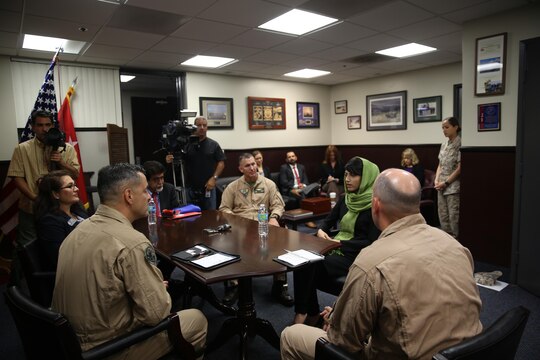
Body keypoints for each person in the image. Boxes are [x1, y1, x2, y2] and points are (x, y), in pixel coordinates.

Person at [281, 168, 482, 360]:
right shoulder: (456, 246)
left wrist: (333, 320)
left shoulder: (370, 262)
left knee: (292, 335)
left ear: (375, 205)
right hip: (468, 352)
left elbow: (343, 341)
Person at [52, 163, 207, 359]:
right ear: (129, 195)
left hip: (66, 342)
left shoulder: (76, 233)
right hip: (108, 348)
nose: (150, 196)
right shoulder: (132, 243)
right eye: (145, 191)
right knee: (197, 319)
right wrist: (158, 290)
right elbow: (156, 314)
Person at [292, 157, 380, 325]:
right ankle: (308, 312)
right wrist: (320, 230)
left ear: (367, 177)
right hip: (335, 247)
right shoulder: (346, 198)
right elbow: (327, 222)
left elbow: (370, 242)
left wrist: (338, 243)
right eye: (346, 174)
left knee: (308, 266)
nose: (347, 179)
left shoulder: (375, 205)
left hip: (356, 254)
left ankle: (305, 314)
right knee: (302, 262)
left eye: (354, 175)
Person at [7, 110, 79, 284]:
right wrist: (35, 198)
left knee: (59, 247)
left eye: (48, 125)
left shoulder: (66, 148)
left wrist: (61, 162)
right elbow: (17, 178)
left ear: (53, 126)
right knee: (25, 248)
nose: (44, 129)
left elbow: (75, 174)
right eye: (40, 125)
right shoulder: (22, 149)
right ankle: (16, 288)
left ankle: (57, 285)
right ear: (33, 127)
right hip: (31, 208)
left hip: (60, 210)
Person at [219, 153, 293, 306]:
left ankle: (280, 285)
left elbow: (278, 205)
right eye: (247, 165)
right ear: (240, 169)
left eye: (253, 164)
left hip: (264, 225)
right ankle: (234, 285)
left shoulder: (269, 184)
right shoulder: (233, 187)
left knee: (280, 242)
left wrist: (274, 217)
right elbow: (224, 209)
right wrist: (237, 220)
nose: (252, 167)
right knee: (231, 243)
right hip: (241, 227)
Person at [166, 116, 225, 210]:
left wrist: (214, 178)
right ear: (194, 127)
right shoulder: (186, 144)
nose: (202, 128)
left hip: (208, 187)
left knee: (210, 215)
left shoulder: (213, 144)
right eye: (199, 125)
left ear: (207, 128)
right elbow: (178, 161)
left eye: (204, 125)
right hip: (189, 188)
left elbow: (221, 162)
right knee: (191, 215)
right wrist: (170, 159)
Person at [34, 170, 88, 271]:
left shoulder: (78, 211)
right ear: (56, 194)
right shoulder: (49, 222)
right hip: (72, 273)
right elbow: (62, 259)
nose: (76, 189)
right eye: (70, 186)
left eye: (75, 185)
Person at [434, 117, 461, 238]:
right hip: (440, 185)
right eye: (442, 128)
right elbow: (440, 164)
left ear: (455, 127)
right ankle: (446, 241)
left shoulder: (459, 143)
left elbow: (460, 168)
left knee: (453, 216)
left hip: (452, 186)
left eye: (447, 127)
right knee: (443, 216)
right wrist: (436, 179)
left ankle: (456, 242)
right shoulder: (444, 144)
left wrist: (446, 182)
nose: (444, 130)